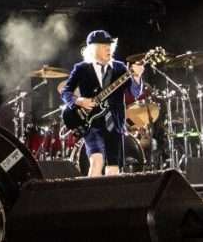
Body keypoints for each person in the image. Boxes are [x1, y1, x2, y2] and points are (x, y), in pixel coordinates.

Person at [61, 30, 145, 176]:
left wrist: (137, 77)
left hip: (115, 124)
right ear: (92, 49)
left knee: (113, 169)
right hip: (91, 124)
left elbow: (135, 93)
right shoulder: (81, 68)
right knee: (96, 162)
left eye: (110, 45)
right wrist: (79, 101)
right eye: (103, 46)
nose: (108, 48)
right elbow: (65, 92)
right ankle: (92, 191)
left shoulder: (120, 68)